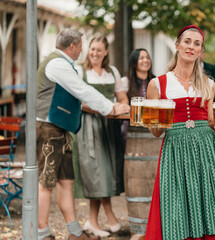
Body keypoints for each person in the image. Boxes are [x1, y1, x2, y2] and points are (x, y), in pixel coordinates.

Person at [144, 25, 215, 240]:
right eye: (187, 41)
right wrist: (161, 120)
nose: (191, 46)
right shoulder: (157, 84)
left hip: (207, 151)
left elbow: (211, 122)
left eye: (197, 44)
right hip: (176, 150)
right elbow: (155, 132)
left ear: (200, 51)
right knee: (177, 204)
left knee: (211, 202)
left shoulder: (209, 83)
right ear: (177, 45)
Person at [36, 28, 129, 240]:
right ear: (72, 46)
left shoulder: (65, 64)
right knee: (46, 183)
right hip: (48, 130)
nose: (82, 51)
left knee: (66, 182)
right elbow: (82, 91)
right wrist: (111, 108)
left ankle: (75, 233)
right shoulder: (58, 64)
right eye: (81, 46)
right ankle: (41, 234)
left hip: (62, 130)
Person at [72, 36, 130, 237]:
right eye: (92, 49)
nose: (94, 53)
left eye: (99, 50)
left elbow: (122, 97)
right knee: (96, 174)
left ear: (106, 52)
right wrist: (105, 108)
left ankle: (93, 221)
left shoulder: (112, 72)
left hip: (109, 127)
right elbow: (77, 102)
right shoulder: (80, 71)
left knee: (107, 173)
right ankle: (105, 217)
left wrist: (121, 105)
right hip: (89, 127)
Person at [120, 48, 155, 143]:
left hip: (152, 129)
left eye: (147, 58)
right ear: (134, 62)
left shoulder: (156, 82)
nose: (145, 60)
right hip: (131, 131)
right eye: (141, 58)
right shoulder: (125, 82)